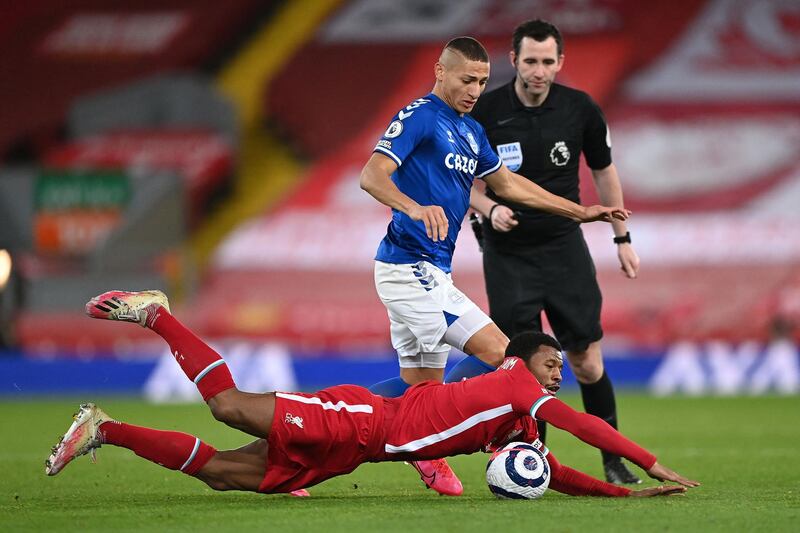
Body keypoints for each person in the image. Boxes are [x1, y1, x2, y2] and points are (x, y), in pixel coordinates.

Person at [46, 289, 698, 500]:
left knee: (222, 474)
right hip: (361, 418)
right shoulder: (520, 384)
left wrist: (624, 494)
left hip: (359, 452)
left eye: (559, 365)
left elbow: (555, 471)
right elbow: (583, 428)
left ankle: (104, 428)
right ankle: (159, 314)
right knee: (227, 405)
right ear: (527, 358)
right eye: (553, 360)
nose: (558, 371)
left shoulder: (516, 423)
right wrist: (647, 457)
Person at [359, 36, 629, 495]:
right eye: (466, 79)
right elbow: (371, 175)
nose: (474, 90)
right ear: (440, 72)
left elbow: (506, 183)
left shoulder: (470, 130)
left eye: (482, 82)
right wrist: (412, 207)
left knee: (417, 389)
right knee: (507, 357)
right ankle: (516, 444)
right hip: (410, 267)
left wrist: (577, 210)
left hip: (429, 270)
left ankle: (307, 427)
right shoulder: (420, 116)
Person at [466, 19, 642, 484]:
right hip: (508, 254)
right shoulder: (485, 111)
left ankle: (613, 460)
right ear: (514, 61)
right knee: (521, 368)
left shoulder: (580, 109)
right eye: (530, 61)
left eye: (547, 62)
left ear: (560, 62)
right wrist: (487, 208)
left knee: (586, 360)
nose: (539, 70)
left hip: (564, 247)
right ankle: (534, 462)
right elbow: (457, 175)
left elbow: (604, 172)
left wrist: (622, 237)